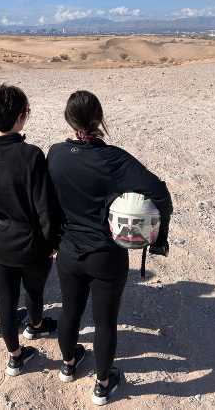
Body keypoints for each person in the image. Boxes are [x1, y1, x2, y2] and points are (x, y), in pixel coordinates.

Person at [47, 90, 173, 405]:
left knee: (70, 310)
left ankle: (68, 365)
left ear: (68, 120)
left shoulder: (56, 154)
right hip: (106, 255)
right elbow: (160, 192)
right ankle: (103, 385)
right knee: (104, 321)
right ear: (99, 118)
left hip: (68, 252)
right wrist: (159, 239)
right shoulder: (113, 159)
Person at [0, 84, 60, 376]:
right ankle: (35, 325)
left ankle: (15, 357)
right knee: (34, 290)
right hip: (31, 242)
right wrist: (52, 242)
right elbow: (44, 208)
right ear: (21, 116)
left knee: (5, 299)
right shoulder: (31, 155)